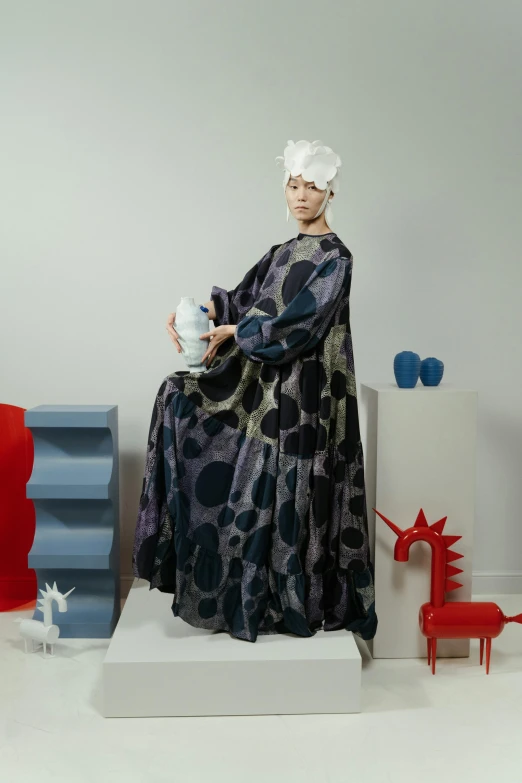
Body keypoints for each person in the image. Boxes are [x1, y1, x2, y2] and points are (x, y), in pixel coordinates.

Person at [133, 139, 377, 643]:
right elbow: (241, 300)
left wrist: (235, 334)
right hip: (267, 387)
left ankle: (294, 600)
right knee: (177, 396)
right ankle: (248, 594)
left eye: (312, 187)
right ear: (283, 190)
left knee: (293, 486)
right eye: (293, 186)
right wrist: (199, 315)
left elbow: (298, 328)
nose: (301, 196)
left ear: (331, 193)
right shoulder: (281, 253)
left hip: (308, 395)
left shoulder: (336, 258)